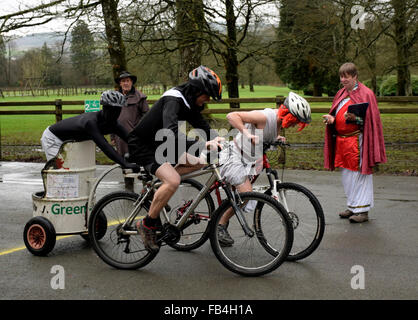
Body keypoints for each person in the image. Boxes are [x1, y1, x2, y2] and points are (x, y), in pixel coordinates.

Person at [128, 65, 224, 252]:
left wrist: (217, 139)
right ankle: (146, 224)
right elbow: (170, 134)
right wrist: (203, 145)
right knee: (173, 181)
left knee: (200, 163)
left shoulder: (189, 101)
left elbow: (200, 124)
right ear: (198, 90)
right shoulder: (174, 99)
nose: (208, 99)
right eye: (207, 95)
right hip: (144, 146)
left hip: (161, 145)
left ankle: (157, 186)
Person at [216, 92, 311, 246]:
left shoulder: (278, 123)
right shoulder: (264, 117)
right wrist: (246, 133)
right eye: (295, 121)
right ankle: (220, 224)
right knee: (246, 194)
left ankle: (222, 216)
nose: (295, 125)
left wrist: (276, 139)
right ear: (288, 115)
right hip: (234, 157)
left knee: (243, 196)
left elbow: (264, 136)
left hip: (248, 161)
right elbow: (231, 116)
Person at [323, 62, 386, 223]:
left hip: (359, 140)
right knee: (347, 175)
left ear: (355, 76)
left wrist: (356, 118)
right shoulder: (341, 93)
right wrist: (332, 119)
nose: (343, 80)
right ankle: (352, 206)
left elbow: (371, 121)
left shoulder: (366, 93)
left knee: (360, 174)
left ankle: (363, 210)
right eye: (341, 76)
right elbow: (337, 114)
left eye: (346, 77)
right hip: (342, 142)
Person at [40, 90, 139, 171]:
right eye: (111, 109)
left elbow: (131, 140)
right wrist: (124, 163)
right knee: (59, 171)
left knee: (74, 170)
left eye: (118, 110)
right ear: (104, 108)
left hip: (70, 140)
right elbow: (104, 146)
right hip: (52, 138)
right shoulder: (90, 122)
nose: (115, 113)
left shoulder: (114, 124)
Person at [111, 71, 149, 157]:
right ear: (120, 83)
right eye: (123, 81)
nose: (126, 83)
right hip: (118, 136)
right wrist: (112, 137)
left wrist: (139, 130)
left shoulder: (140, 97)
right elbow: (111, 118)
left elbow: (147, 115)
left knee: (134, 159)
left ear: (131, 82)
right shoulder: (115, 97)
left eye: (128, 81)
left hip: (134, 135)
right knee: (122, 161)